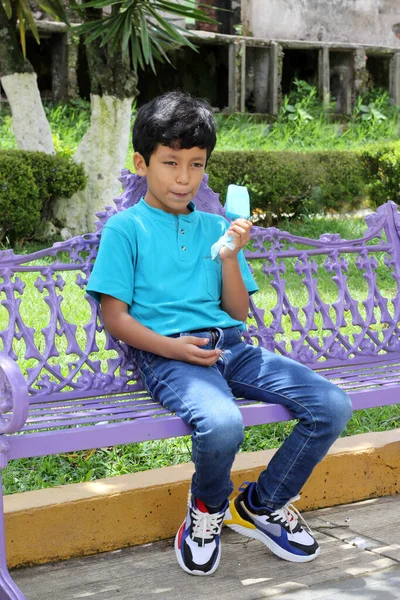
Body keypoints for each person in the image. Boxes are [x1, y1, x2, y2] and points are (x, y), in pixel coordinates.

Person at [86, 91, 352, 577]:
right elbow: (115, 318)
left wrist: (229, 254)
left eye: (196, 164)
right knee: (224, 422)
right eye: (170, 163)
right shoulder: (126, 229)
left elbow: (237, 310)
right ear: (140, 163)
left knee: (332, 405)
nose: (184, 177)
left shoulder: (217, 225)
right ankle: (207, 509)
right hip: (167, 356)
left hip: (229, 346)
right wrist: (173, 348)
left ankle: (261, 503)